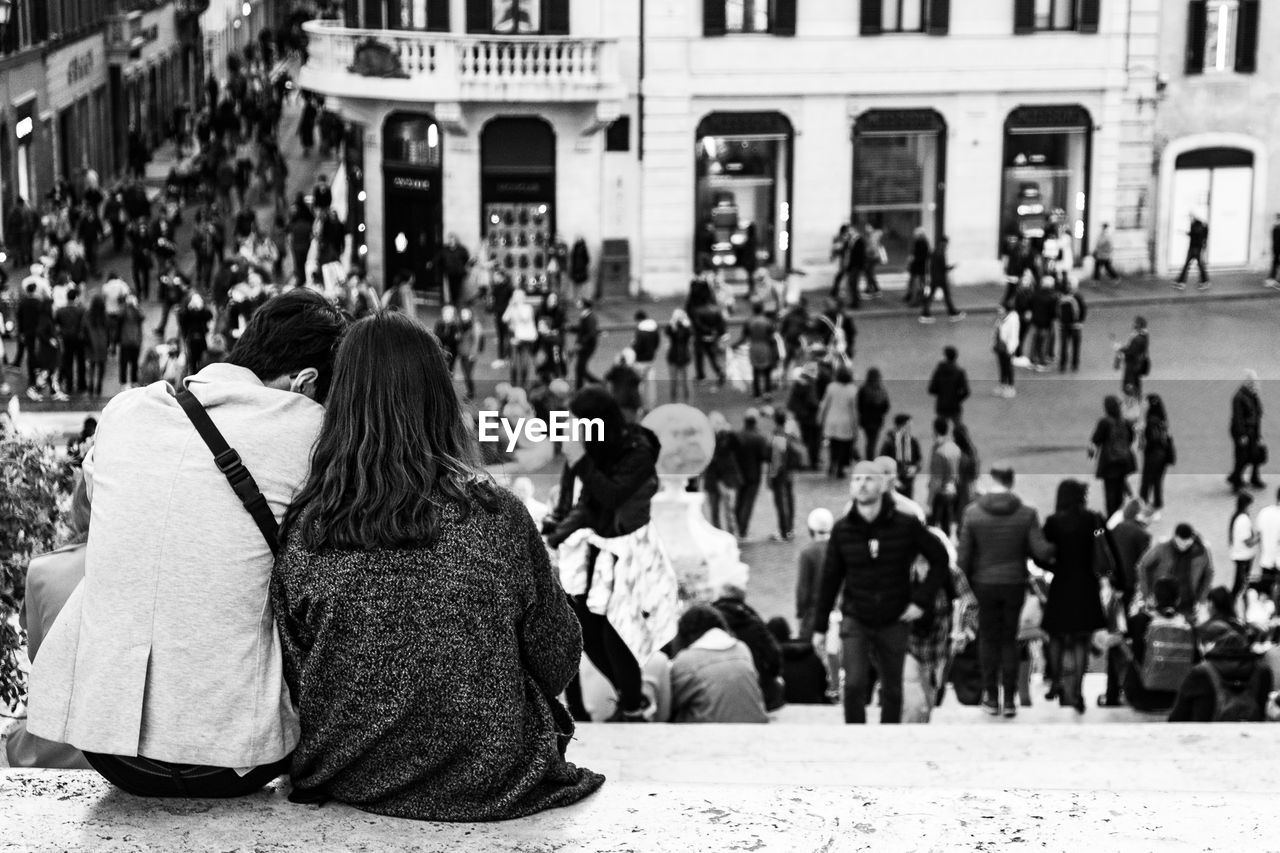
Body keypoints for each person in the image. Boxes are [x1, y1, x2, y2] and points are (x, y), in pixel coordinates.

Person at [270, 312, 603, 820]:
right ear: (440, 399)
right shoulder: (496, 516)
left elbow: (300, 677)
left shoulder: (305, 530)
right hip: (494, 781)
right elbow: (557, 660)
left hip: (352, 778)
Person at [28, 290, 349, 798]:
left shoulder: (125, 411)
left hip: (106, 744)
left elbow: (83, 516)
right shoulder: (313, 430)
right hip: (235, 759)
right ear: (306, 381)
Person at [545, 386, 674, 723]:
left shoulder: (638, 452)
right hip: (601, 549)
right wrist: (557, 531)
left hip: (630, 550)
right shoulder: (598, 449)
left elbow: (613, 495)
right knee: (587, 629)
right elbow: (589, 503)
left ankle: (632, 706)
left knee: (616, 633)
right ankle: (630, 700)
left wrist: (580, 462)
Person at [811, 461, 950, 724]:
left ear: (882, 485)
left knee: (892, 688)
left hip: (894, 617)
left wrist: (921, 600)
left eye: (868, 479)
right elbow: (830, 579)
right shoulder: (843, 529)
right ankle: (856, 736)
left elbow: (940, 559)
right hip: (856, 615)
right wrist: (819, 627)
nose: (862, 484)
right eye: (856, 479)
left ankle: (889, 740)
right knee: (853, 684)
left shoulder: (906, 524)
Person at [956, 466, 1055, 717]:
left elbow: (963, 558)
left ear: (992, 480)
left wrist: (965, 588)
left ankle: (990, 696)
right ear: (1013, 481)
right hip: (1013, 584)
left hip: (983, 584)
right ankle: (1010, 699)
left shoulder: (973, 513)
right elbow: (1040, 551)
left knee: (988, 639)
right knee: (1010, 640)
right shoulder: (1026, 514)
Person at [1041, 479, 1109, 713]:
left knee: (1057, 636)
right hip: (1086, 585)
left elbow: (1041, 553)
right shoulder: (1093, 520)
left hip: (1062, 583)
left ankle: (1056, 682)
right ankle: (1078, 691)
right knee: (1082, 639)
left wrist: (1053, 568)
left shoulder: (1053, 522)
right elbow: (1105, 544)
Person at [669, 605, 769, 724]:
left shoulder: (686, 660)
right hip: (756, 728)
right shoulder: (742, 648)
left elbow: (670, 705)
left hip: (710, 734)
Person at [1099, 499, 1154, 707]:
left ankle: (1112, 693)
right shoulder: (1143, 536)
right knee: (1134, 642)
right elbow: (1144, 568)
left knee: (1115, 642)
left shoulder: (1114, 530)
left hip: (1114, 593)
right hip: (1131, 596)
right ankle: (1129, 688)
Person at [1119, 577, 1192, 713]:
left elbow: (1116, 636)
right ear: (1178, 599)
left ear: (1154, 598)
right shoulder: (1187, 624)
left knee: (1119, 648)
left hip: (1142, 698)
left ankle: (1114, 694)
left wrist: (1132, 657)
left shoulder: (1141, 620)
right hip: (1177, 699)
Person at [1168, 631, 1271, 722]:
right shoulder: (1263, 672)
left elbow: (1178, 716)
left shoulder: (1200, 673)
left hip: (1203, 740)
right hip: (1250, 739)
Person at [712, 586, 784, 711]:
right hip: (757, 691)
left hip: (714, 693)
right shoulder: (753, 620)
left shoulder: (707, 618)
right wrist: (773, 675)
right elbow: (774, 655)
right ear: (742, 597)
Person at [1136, 523, 1215, 624]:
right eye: (1180, 543)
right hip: (1164, 601)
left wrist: (1201, 599)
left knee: (1187, 633)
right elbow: (1143, 566)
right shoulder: (1162, 547)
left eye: (1187, 544)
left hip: (1188, 602)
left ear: (1192, 538)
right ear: (1175, 537)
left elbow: (1208, 574)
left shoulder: (1201, 551)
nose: (1183, 547)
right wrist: (1146, 594)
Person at [1090, 395, 1137, 518]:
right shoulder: (1125, 422)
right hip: (1123, 462)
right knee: (1120, 490)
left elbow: (1096, 439)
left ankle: (1111, 519)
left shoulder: (1104, 422)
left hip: (1109, 463)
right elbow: (1131, 438)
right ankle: (1119, 517)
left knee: (1110, 494)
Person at [767, 617, 829, 704]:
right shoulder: (811, 654)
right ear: (789, 633)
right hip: (814, 706)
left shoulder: (772, 661)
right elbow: (823, 688)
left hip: (787, 708)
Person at [795, 508, 834, 642]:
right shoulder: (838, 549)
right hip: (836, 614)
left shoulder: (808, 553)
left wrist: (800, 615)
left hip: (814, 616)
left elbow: (803, 589)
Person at [732, 409, 772, 540]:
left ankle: (738, 524)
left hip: (739, 473)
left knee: (739, 500)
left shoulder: (738, 435)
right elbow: (765, 456)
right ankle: (742, 529)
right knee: (748, 503)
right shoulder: (759, 438)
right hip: (754, 475)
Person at [704, 412, 744, 534]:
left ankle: (731, 535)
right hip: (713, 478)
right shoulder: (707, 438)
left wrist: (729, 432)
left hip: (727, 479)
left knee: (729, 510)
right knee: (714, 511)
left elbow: (738, 445)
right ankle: (717, 535)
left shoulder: (728, 436)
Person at [818, 365, 858, 478]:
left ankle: (831, 464)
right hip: (846, 421)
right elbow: (854, 410)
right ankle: (840, 468)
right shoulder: (852, 390)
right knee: (843, 446)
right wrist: (855, 425)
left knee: (833, 445)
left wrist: (820, 417)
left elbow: (824, 404)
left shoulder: (831, 387)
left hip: (832, 419)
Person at [1228, 370, 1265, 491]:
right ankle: (1236, 480)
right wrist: (1242, 435)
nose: (1257, 385)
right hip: (1243, 431)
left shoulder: (1253, 396)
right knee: (1242, 456)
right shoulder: (1239, 397)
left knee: (1257, 453)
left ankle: (1254, 477)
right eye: (1255, 382)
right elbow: (1238, 418)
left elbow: (1258, 415)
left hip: (1253, 431)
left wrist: (1258, 435)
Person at [925, 417, 962, 538]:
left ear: (935, 430)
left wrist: (929, 502)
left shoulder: (939, 451)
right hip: (952, 491)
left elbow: (937, 479)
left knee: (931, 528)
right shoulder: (955, 448)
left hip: (940, 493)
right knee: (946, 525)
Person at [1139, 394, 1175, 517]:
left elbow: (1153, 439)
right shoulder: (1162, 418)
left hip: (1153, 455)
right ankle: (1157, 505)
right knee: (1157, 481)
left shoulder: (1151, 420)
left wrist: (1143, 432)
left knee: (1147, 481)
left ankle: (1142, 506)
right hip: (1163, 455)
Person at [766, 410, 797, 542]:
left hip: (780, 474)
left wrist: (771, 475)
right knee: (789, 500)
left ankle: (783, 532)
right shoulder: (790, 433)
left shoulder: (777, 435)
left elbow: (776, 459)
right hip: (790, 472)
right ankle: (790, 529)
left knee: (780, 503)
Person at [736, 301, 778, 399]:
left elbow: (743, 338)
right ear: (762, 309)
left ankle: (757, 393)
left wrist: (734, 346)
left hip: (754, 347)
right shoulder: (768, 321)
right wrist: (775, 351)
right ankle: (767, 392)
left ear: (753, 310)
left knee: (756, 370)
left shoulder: (749, 322)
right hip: (766, 347)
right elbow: (772, 337)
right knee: (767, 371)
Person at [919, 236, 963, 322]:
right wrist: (952, 267)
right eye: (946, 244)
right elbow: (943, 267)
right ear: (944, 243)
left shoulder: (935, 251)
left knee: (931, 296)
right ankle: (952, 313)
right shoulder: (941, 252)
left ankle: (926, 313)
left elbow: (931, 264)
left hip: (935, 277)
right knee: (945, 296)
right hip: (940, 278)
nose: (947, 246)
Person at [880, 413, 923, 500]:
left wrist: (915, 468)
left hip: (908, 483)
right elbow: (882, 464)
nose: (910, 429)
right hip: (893, 484)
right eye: (908, 426)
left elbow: (919, 459)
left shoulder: (913, 441)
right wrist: (893, 480)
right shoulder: (889, 443)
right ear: (900, 426)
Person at [1228, 492, 1260, 601]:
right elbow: (1248, 541)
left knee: (1240, 584)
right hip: (1243, 557)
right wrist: (1259, 537)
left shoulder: (1237, 517)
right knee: (1240, 585)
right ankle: (1231, 604)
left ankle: (1232, 603)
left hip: (1239, 555)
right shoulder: (1243, 520)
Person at [927, 346, 970, 422]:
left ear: (945, 357)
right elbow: (966, 391)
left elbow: (931, 389)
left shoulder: (939, 371)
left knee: (941, 429)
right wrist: (957, 399)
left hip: (942, 405)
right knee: (958, 428)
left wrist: (941, 394)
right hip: (954, 405)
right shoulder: (959, 372)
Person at [856, 368, 890, 464]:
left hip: (866, 420)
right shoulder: (881, 390)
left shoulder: (863, 389)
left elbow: (859, 405)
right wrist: (880, 412)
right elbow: (886, 406)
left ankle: (869, 459)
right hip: (877, 419)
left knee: (869, 441)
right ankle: (870, 459)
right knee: (873, 441)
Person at [1115, 316, 1151, 397]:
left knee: (1130, 386)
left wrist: (1119, 348)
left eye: (1134, 323)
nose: (1133, 325)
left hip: (1132, 366)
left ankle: (1132, 402)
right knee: (1136, 385)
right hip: (1137, 366)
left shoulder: (1138, 339)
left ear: (1138, 325)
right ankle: (1137, 399)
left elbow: (1131, 352)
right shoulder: (1144, 335)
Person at [1256, 488, 1280, 606]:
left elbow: (1259, 535)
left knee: (1265, 595)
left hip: (1265, 560)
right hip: (1277, 562)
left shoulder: (1264, 512)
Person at [1174, 213, 1210, 291]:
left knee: (1195, 265)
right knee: (1194, 265)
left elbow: (1195, 235)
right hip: (1195, 248)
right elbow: (1197, 235)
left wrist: (1184, 233)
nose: (1189, 219)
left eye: (1190, 217)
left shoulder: (1197, 224)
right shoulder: (1199, 225)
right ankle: (1181, 281)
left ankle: (1204, 282)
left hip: (1195, 248)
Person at [570, 298, 601, 389]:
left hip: (587, 346)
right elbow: (582, 329)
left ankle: (580, 388)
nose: (577, 303)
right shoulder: (585, 315)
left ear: (584, 305)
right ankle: (594, 383)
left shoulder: (590, 317)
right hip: (585, 345)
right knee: (580, 368)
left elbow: (591, 333)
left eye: (580, 302)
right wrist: (571, 328)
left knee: (580, 368)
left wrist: (581, 343)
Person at [1057, 279, 1086, 373]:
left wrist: (1060, 321)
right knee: (1075, 346)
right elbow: (1083, 309)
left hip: (1063, 325)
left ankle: (1062, 365)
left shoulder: (1062, 296)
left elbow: (1057, 310)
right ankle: (1074, 365)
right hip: (1075, 326)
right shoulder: (1078, 296)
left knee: (1064, 346)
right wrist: (1080, 322)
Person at [665, 308, 693, 402]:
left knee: (684, 382)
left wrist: (684, 324)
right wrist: (673, 323)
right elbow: (667, 332)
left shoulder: (686, 327)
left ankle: (686, 402)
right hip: (677, 357)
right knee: (674, 382)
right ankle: (675, 402)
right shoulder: (673, 327)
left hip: (680, 357)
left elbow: (689, 334)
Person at [993, 305, 1020, 398]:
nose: (999, 312)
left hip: (1008, 348)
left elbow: (1013, 336)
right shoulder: (999, 320)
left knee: (1008, 367)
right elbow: (996, 332)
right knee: (1002, 366)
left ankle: (1010, 386)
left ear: (1006, 311)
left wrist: (1010, 349)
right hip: (1000, 347)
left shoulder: (1012, 321)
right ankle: (1003, 384)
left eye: (1001, 311)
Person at [905, 227, 930, 307]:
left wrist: (913, 259)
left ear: (920, 235)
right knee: (915, 283)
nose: (914, 236)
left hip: (919, 268)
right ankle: (915, 298)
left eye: (916, 235)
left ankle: (915, 300)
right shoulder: (919, 242)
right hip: (917, 267)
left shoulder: (922, 243)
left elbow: (923, 256)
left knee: (917, 285)